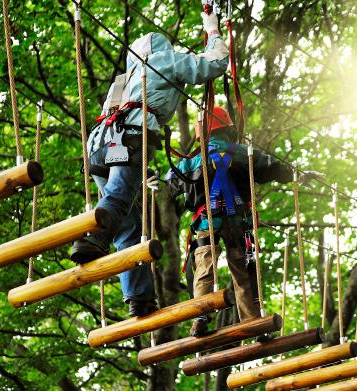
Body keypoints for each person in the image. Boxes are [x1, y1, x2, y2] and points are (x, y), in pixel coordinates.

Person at [70, 12, 229, 318]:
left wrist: (142, 170)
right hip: (129, 137)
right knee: (119, 196)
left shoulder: (123, 80)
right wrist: (212, 29)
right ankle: (93, 237)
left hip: (98, 147)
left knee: (128, 225)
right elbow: (215, 62)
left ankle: (139, 298)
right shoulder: (163, 61)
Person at [166, 106, 323, 337]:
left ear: (202, 134)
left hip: (207, 222)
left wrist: (151, 181)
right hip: (240, 222)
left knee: (204, 267)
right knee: (245, 273)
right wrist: (297, 174)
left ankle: (200, 315)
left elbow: (169, 185)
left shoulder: (190, 163)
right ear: (229, 130)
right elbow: (273, 168)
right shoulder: (244, 153)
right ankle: (253, 321)